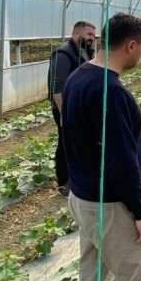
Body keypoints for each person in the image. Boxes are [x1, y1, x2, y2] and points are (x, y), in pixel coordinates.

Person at [62, 13, 141, 281]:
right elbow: (120, 161)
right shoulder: (111, 92)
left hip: (84, 199)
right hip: (110, 207)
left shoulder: (78, 77)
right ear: (130, 46)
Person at [47, 20, 96, 196]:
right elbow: (57, 88)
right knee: (65, 144)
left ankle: (77, 178)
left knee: (78, 142)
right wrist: (65, 114)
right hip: (65, 108)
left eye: (93, 35)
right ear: (77, 33)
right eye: (89, 34)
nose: (92, 38)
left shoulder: (84, 52)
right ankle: (64, 183)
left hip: (79, 108)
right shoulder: (63, 54)